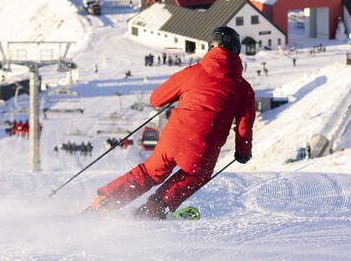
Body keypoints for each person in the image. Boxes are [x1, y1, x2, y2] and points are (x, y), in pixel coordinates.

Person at [88, 27, 256, 219]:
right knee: (196, 175)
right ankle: (155, 207)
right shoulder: (243, 88)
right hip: (202, 148)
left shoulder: (192, 72)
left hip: (172, 139)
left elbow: (155, 99)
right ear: (237, 51)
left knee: (149, 173)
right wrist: (243, 152)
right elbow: (244, 126)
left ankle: (105, 202)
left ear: (211, 48)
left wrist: (180, 94)